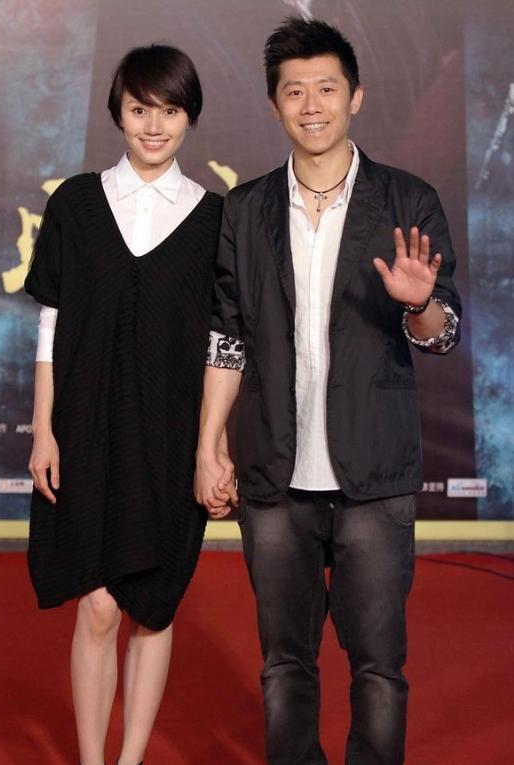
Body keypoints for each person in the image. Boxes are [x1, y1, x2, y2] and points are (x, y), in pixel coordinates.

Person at [195, 17, 461, 765]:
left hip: (373, 473)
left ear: (356, 96)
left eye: (326, 89)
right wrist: (209, 445)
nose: (311, 106)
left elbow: (444, 332)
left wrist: (419, 302)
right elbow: (226, 337)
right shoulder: (244, 209)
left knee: (378, 665)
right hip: (273, 475)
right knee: (285, 663)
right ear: (275, 104)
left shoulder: (407, 201)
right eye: (294, 92)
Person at [25, 45, 223, 765]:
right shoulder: (75, 204)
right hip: (84, 430)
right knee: (99, 604)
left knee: (153, 605)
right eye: (140, 109)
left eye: (169, 111)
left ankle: (131, 758)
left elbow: (223, 344)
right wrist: (43, 428)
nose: (154, 126)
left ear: (189, 117)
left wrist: (211, 446)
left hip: (168, 437)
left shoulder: (215, 219)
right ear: (118, 113)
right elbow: (51, 322)